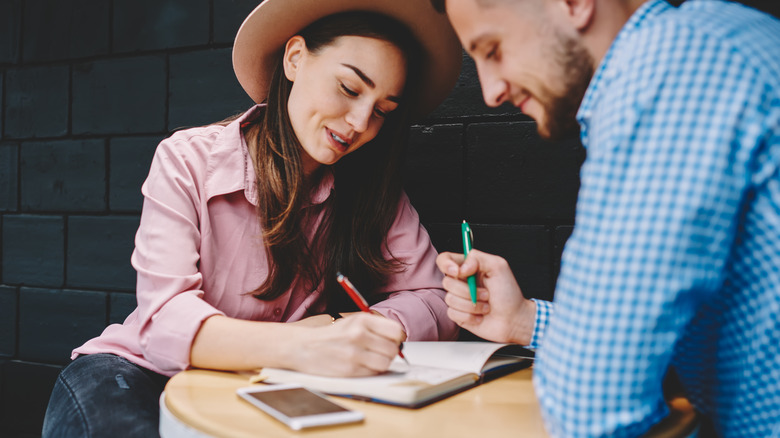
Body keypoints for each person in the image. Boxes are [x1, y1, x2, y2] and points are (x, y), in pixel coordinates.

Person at [42, 0, 462, 436]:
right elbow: (165, 322)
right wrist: (307, 344)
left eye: (382, 111)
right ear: (295, 58)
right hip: (137, 374)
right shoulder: (187, 160)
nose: (360, 122)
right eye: (349, 88)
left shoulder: (372, 192)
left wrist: (345, 328)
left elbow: (436, 298)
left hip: (270, 388)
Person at [431, 0, 780, 436]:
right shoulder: (718, 40)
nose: (491, 92)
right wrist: (523, 319)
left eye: (493, 49)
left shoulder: (672, 69)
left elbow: (591, 406)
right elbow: (679, 341)